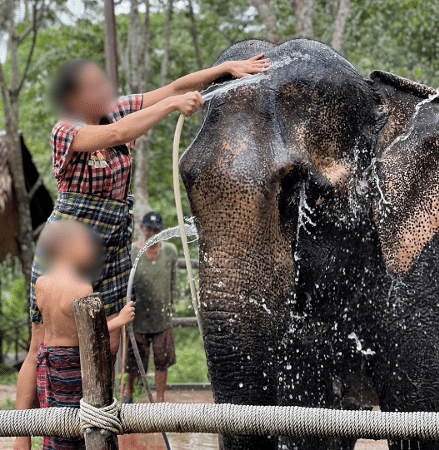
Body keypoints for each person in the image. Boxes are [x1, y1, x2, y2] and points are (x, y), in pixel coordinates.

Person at [14, 53, 270, 450]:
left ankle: (94, 421)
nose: (104, 92)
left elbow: (173, 88)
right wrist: (169, 107)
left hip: (113, 242)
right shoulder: (66, 130)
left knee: (111, 337)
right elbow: (122, 134)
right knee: (42, 342)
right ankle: (22, 436)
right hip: (69, 241)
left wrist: (225, 71)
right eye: (94, 88)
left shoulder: (117, 111)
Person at [32, 221, 135, 450]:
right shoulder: (82, 288)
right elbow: (89, 332)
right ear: (69, 248)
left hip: (47, 360)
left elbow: (63, 322)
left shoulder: (41, 284)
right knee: (79, 423)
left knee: (54, 421)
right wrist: (121, 319)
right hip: (72, 364)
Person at [123, 212, 178, 403]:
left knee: (162, 360)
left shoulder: (170, 251)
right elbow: (126, 284)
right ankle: (128, 393)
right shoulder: (132, 252)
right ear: (142, 229)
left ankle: (160, 400)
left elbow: (173, 281)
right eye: (149, 229)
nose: (152, 233)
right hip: (138, 317)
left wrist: (171, 302)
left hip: (162, 317)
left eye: (156, 230)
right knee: (134, 360)